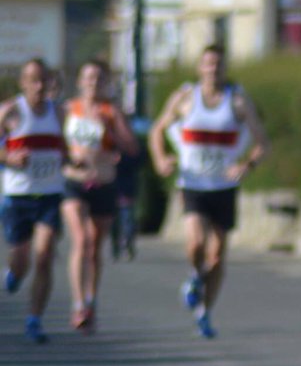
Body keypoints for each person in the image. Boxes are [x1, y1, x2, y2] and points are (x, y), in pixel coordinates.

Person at [148, 44, 269, 339]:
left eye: (218, 64)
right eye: (208, 64)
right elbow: (156, 130)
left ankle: (204, 312)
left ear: (225, 68)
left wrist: (247, 165)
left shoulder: (238, 101)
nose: (213, 69)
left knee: (216, 257)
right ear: (200, 68)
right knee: (196, 244)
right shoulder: (185, 98)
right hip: (193, 183)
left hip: (223, 187)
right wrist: (161, 159)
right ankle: (193, 278)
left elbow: (262, 143)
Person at [61, 58, 139, 332]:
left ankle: (91, 301)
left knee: (94, 248)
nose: (93, 83)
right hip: (74, 183)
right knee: (80, 241)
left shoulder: (110, 111)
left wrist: (113, 133)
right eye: (88, 77)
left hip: (104, 184)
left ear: (105, 83)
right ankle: (78, 303)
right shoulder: (69, 109)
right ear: (80, 81)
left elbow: (132, 147)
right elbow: (56, 142)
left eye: (98, 78)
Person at [1, 58, 66, 344]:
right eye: (34, 80)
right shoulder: (10, 112)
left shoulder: (60, 113)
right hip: (19, 195)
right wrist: (8, 157)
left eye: (44, 80)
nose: (39, 87)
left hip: (50, 194)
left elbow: (70, 146)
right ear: (23, 83)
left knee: (44, 255)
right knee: (21, 259)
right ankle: (13, 275)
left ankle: (34, 319)